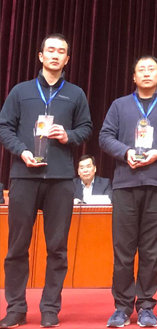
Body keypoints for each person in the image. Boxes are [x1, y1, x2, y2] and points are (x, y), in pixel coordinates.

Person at [0, 33, 93, 328]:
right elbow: (4, 127)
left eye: (61, 51)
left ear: (67, 59)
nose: (55, 55)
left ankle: (50, 308)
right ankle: (16, 308)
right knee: (17, 247)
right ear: (40, 56)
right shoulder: (21, 91)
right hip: (24, 175)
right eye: (50, 50)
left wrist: (68, 135)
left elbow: (86, 128)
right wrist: (21, 151)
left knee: (57, 248)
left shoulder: (75, 93)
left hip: (61, 179)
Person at [99, 55, 157, 328]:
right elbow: (105, 137)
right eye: (141, 69)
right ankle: (122, 308)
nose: (146, 73)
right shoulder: (119, 105)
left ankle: (146, 306)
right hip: (125, 184)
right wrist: (125, 152)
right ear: (134, 77)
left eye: (152, 69)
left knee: (151, 251)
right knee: (123, 250)